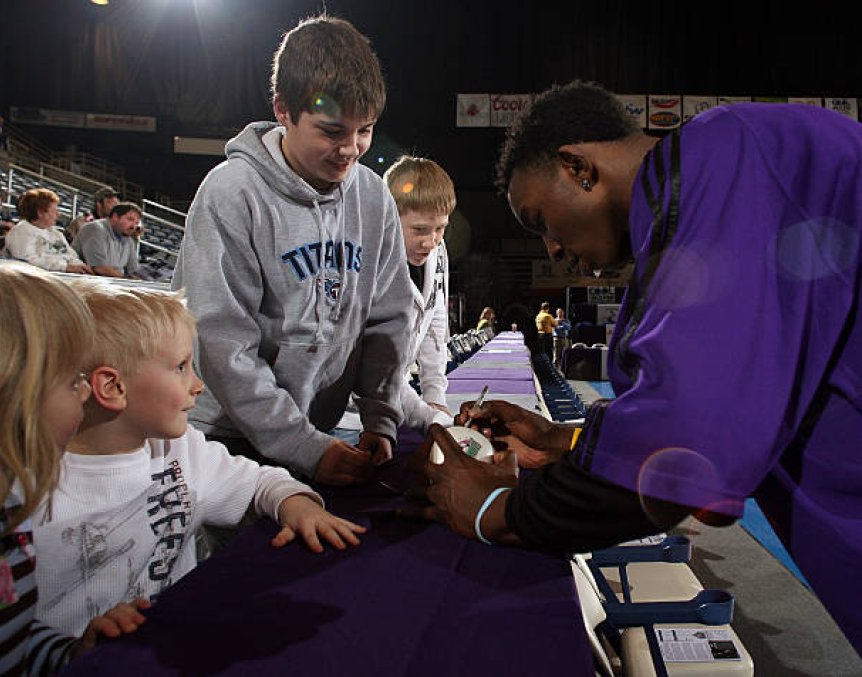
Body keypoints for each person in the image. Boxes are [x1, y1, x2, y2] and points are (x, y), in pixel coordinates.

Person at [407, 80, 862, 653]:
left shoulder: (729, 155)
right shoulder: (695, 195)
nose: (550, 248)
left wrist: (498, 512)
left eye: (539, 220)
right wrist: (568, 441)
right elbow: (719, 425)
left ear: (579, 169)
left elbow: (689, 446)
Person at [32, 282, 366, 638]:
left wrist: (296, 504)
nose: (198, 385)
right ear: (112, 387)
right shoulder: (27, 491)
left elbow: (259, 482)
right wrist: (70, 649)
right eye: (181, 367)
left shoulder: (179, 449)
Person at [171, 14, 412, 486]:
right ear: (283, 110)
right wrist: (300, 444)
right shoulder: (232, 192)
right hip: (228, 439)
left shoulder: (372, 195)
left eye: (365, 130)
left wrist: (381, 416)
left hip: (315, 432)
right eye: (332, 131)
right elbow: (221, 341)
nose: (352, 148)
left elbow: (390, 316)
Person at [0, 262, 150, 675]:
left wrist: (70, 653)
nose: (85, 394)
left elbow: (14, 636)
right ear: (13, 396)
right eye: (72, 380)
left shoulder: (12, 506)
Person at [338, 156, 455, 435]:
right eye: (419, 230)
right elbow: (374, 364)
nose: (431, 241)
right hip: (348, 415)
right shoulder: (360, 260)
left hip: (399, 403)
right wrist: (427, 416)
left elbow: (434, 323)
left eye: (440, 228)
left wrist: (435, 395)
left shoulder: (437, 251)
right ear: (387, 218)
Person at [4, 188, 93, 274]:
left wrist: (81, 267)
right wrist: (65, 267)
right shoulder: (21, 232)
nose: (58, 214)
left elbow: (71, 255)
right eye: (54, 211)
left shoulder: (56, 233)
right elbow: (27, 262)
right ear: (40, 213)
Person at [72, 201, 141, 278]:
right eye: (130, 219)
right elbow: (100, 268)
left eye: (136, 223)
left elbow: (134, 270)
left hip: (111, 284)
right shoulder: (95, 229)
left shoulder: (128, 238)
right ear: (115, 217)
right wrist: (127, 279)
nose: (133, 226)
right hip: (84, 283)